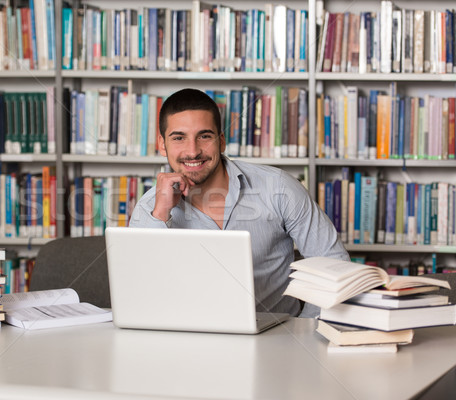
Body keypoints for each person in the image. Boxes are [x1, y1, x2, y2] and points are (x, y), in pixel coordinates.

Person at [129, 88, 349, 317]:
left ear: (221, 141)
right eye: (179, 138)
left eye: (204, 136)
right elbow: (137, 292)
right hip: (188, 343)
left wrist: (304, 331)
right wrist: (161, 213)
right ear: (162, 144)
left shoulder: (279, 187)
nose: (193, 151)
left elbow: (334, 265)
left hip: (276, 342)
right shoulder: (150, 209)